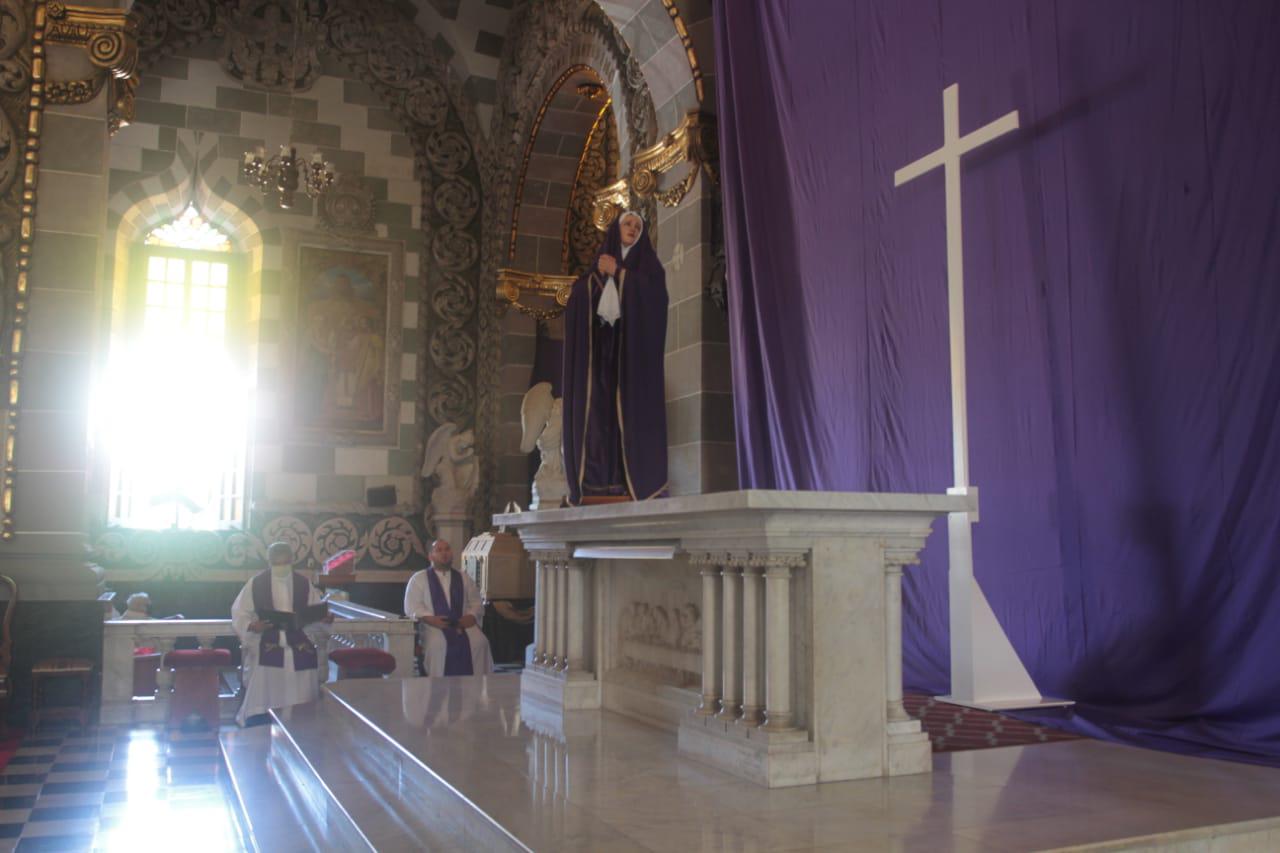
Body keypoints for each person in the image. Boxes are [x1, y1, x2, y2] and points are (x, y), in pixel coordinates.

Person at [562, 210, 669, 504]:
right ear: (615, 229)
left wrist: (620, 275)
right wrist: (595, 282)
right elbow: (577, 301)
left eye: (637, 226)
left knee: (626, 419)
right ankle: (597, 483)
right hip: (598, 361)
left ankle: (626, 481)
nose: (632, 229)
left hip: (629, 363)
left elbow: (655, 301)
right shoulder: (593, 272)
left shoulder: (649, 269)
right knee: (597, 419)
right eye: (627, 224)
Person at [232, 541, 332, 726]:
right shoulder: (256, 583)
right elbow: (239, 612)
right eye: (277, 564)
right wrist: (253, 626)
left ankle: (302, 715)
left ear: (292, 561)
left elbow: (315, 610)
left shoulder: (303, 584)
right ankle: (260, 714)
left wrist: (322, 618)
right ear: (269, 562)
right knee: (266, 664)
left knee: (302, 658)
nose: (281, 568)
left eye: (285, 564)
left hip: (297, 639)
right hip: (268, 638)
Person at [403, 539, 494, 677]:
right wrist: (431, 619)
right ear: (430, 556)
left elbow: (476, 602)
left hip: (463, 624)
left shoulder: (464, 577)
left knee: (480, 642)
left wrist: (470, 616)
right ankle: (439, 692)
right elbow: (413, 606)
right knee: (438, 646)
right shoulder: (419, 579)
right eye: (439, 550)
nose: (444, 553)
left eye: (447, 549)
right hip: (433, 626)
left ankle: (474, 690)